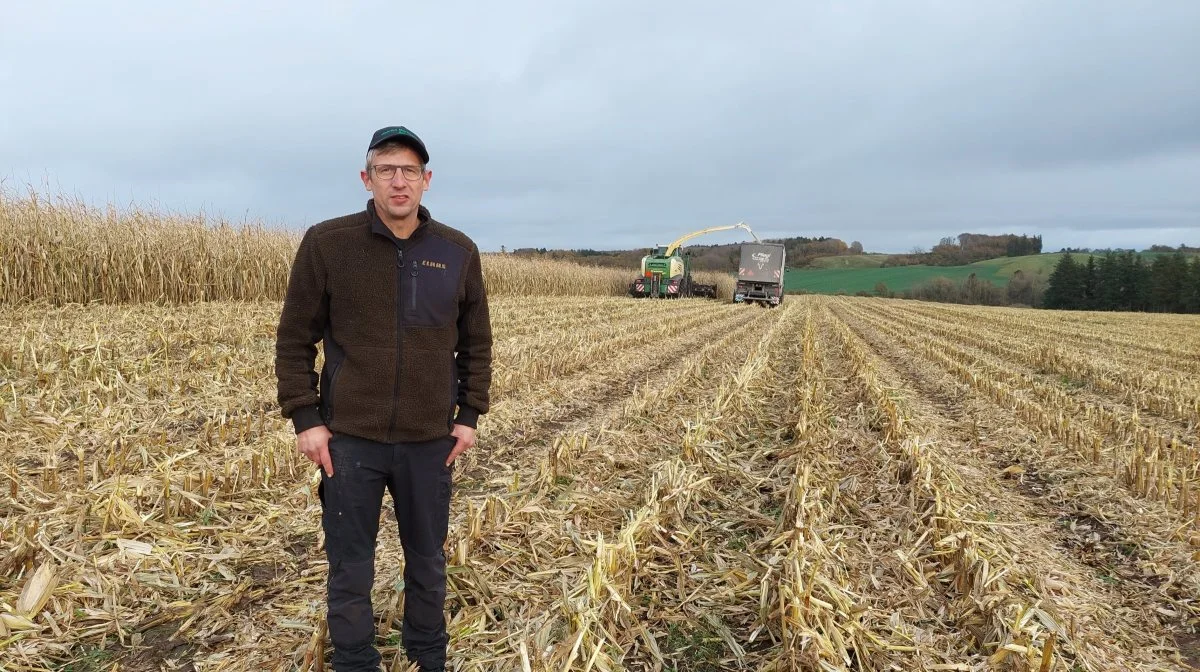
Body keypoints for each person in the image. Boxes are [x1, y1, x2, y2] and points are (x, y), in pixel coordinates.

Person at [274, 125, 493, 671]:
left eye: (410, 171)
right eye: (387, 170)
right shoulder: (328, 243)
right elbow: (294, 337)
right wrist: (306, 418)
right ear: (366, 178)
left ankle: (426, 653)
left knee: (427, 559)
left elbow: (476, 342)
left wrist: (468, 415)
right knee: (350, 563)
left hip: (428, 440)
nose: (399, 181)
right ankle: (354, 661)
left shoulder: (457, 252)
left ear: (427, 180)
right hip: (350, 440)